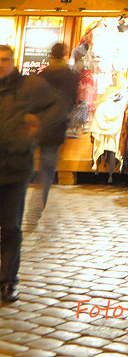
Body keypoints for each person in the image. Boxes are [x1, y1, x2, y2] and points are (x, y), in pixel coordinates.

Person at [0, 44, 58, 302]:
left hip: (16, 168)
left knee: (11, 227)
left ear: (13, 61)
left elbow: (58, 106)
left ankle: (7, 282)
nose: (1, 63)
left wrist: (38, 128)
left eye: (5, 59)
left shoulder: (29, 87)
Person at [33, 43, 80, 215]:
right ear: (66, 55)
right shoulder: (72, 75)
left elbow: (35, 98)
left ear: (51, 55)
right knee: (48, 161)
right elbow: (73, 100)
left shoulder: (43, 74)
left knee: (38, 157)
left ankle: (36, 190)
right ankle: (41, 197)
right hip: (58, 123)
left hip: (40, 123)